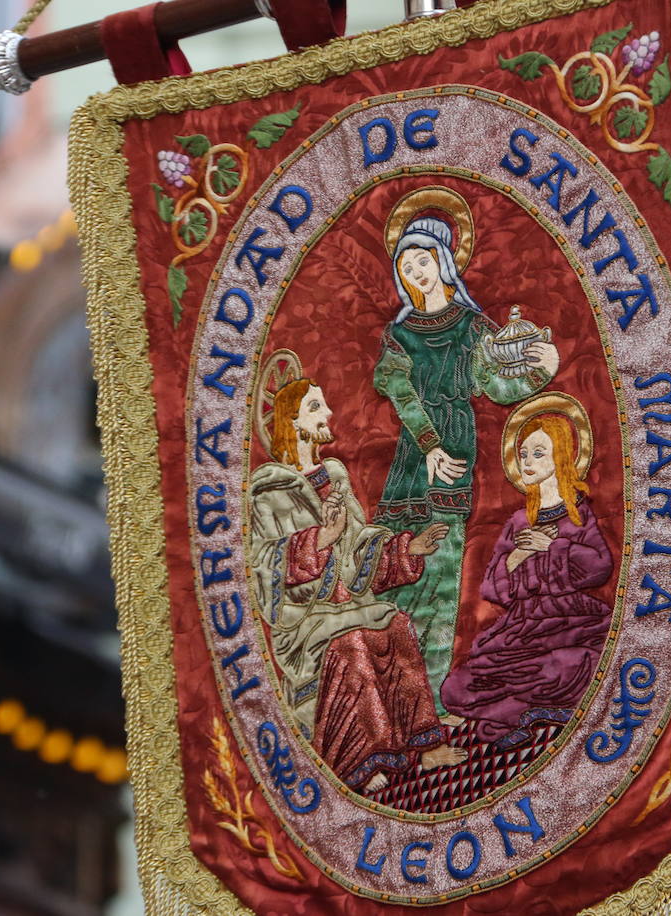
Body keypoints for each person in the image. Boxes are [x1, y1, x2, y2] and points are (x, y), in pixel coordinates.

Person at [373, 189, 559, 719]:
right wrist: (428, 446)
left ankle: (427, 704)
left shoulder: (471, 327)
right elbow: (399, 391)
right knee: (402, 570)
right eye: (406, 264)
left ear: (444, 263)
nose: (416, 271)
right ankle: (393, 706)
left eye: (423, 260)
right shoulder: (400, 334)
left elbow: (499, 385)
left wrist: (541, 365)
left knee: (444, 576)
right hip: (415, 455)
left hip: (456, 451)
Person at [247, 375, 468, 792]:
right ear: (291, 422)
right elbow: (263, 565)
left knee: (397, 625)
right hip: (307, 622)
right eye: (316, 408)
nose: (328, 414)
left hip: (352, 605)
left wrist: (407, 549)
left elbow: (359, 546)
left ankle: (424, 746)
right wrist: (317, 542)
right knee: (354, 644)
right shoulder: (270, 491)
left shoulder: (335, 474)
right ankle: (360, 759)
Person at [441, 401, 614, 748]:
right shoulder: (519, 522)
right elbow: (492, 587)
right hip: (521, 628)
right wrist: (519, 553)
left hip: (571, 621)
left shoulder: (577, 514)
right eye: (523, 453)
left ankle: (506, 713)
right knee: (454, 687)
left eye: (539, 453)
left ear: (561, 456)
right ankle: (520, 708)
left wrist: (551, 548)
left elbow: (600, 566)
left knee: (574, 665)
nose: (528, 461)